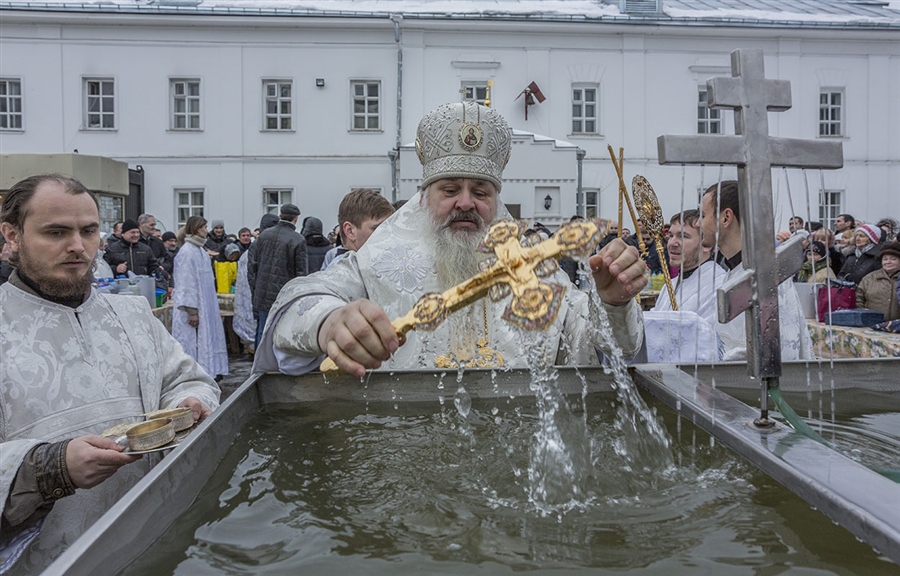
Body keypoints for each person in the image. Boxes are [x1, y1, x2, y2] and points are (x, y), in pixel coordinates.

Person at [252, 102, 646, 377]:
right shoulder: (379, 261)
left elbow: (598, 348)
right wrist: (330, 321)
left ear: (496, 202)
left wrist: (612, 302)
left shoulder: (533, 268)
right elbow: (297, 303)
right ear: (424, 198)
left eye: (481, 191)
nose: (466, 203)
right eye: (450, 189)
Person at [0, 175, 220, 574]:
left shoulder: (132, 314)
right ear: (12, 235)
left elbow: (189, 380)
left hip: (153, 539)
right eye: (56, 232)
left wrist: (188, 405)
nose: (77, 246)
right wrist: (50, 467)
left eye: (88, 231)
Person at [699, 180, 812, 361]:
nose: (698, 224)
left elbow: (775, 356)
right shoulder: (735, 271)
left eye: (703, 215)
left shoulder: (765, 277)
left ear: (726, 218)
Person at [173, 215, 229, 379]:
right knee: (194, 343)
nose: (207, 230)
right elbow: (186, 284)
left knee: (208, 339)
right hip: (195, 308)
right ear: (197, 229)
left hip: (206, 306)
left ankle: (210, 370)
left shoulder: (200, 251)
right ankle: (194, 375)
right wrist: (191, 311)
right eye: (204, 227)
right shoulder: (187, 253)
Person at [248, 203, 308, 349]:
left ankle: (259, 367)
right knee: (283, 332)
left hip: (262, 292)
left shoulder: (263, 236)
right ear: (296, 219)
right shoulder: (298, 240)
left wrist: (256, 289)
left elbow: (253, 266)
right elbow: (301, 274)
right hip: (285, 296)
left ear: (280, 216)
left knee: (263, 330)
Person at [651, 210, 726, 325]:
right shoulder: (668, 286)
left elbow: (709, 337)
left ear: (706, 245)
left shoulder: (718, 286)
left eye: (683, 236)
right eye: (671, 236)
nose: (672, 243)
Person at [322, 189, 395, 270]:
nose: (388, 235)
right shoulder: (343, 274)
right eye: (378, 229)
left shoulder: (368, 265)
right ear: (350, 231)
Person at [855, 241, 900, 321]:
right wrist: (862, 311)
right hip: (872, 326)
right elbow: (858, 297)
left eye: (893, 259)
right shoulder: (869, 278)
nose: (888, 262)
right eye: (885, 259)